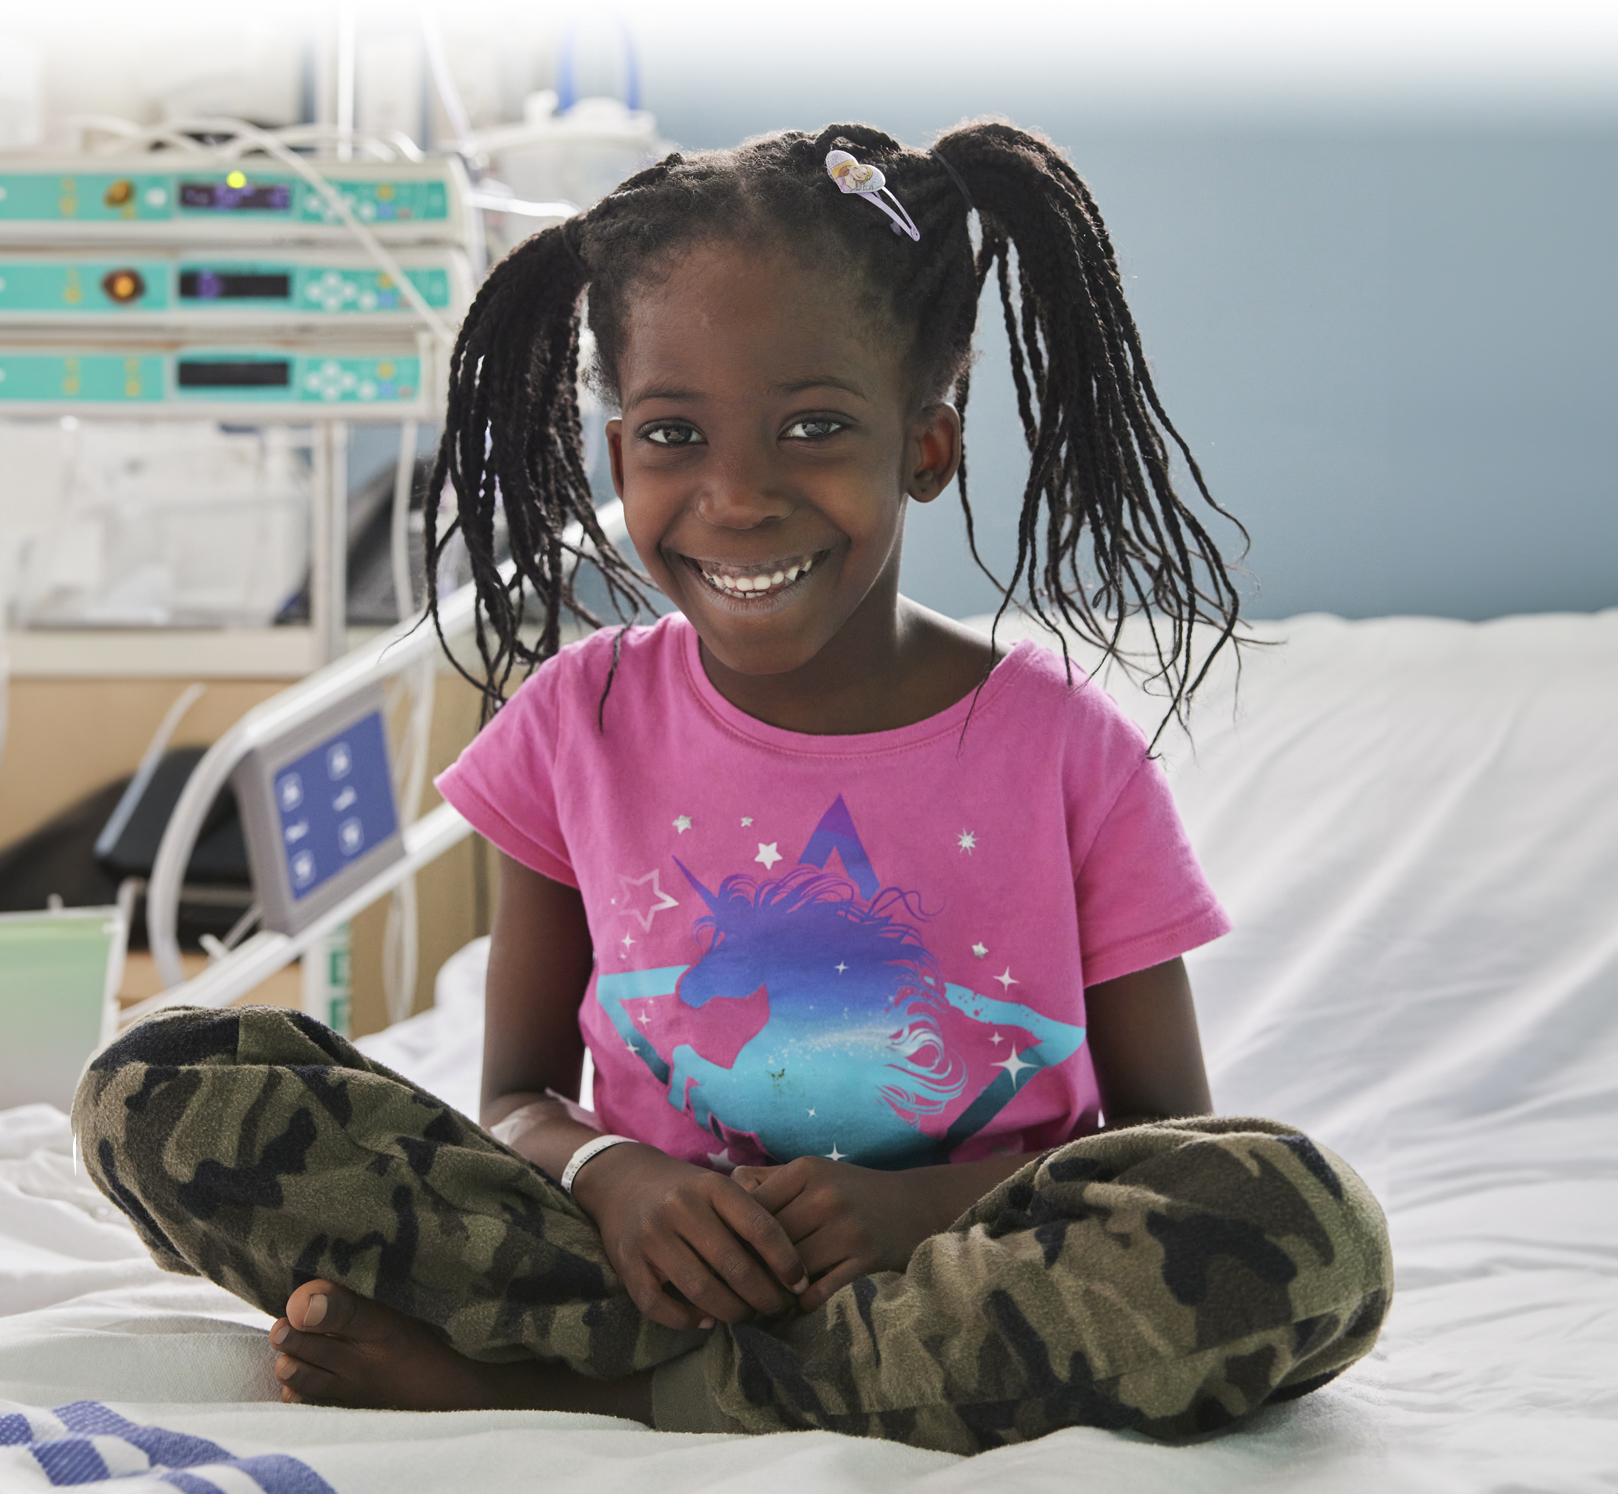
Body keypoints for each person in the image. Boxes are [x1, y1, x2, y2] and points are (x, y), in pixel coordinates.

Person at [73, 121, 1391, 1454]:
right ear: (620, 448)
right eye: (672, 434)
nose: (737, 495)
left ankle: (599, 1394)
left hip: (965, 1278)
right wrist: (617, 1173)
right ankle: (741, 1372)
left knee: (1296, 1224)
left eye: (812, 427)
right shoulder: (575, 718)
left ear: (926, 447)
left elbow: (1162, 1148)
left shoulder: (1066, 752)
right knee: (159, 1085)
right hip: (626, 1257)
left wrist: (911, 1212)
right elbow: (519, 1097)